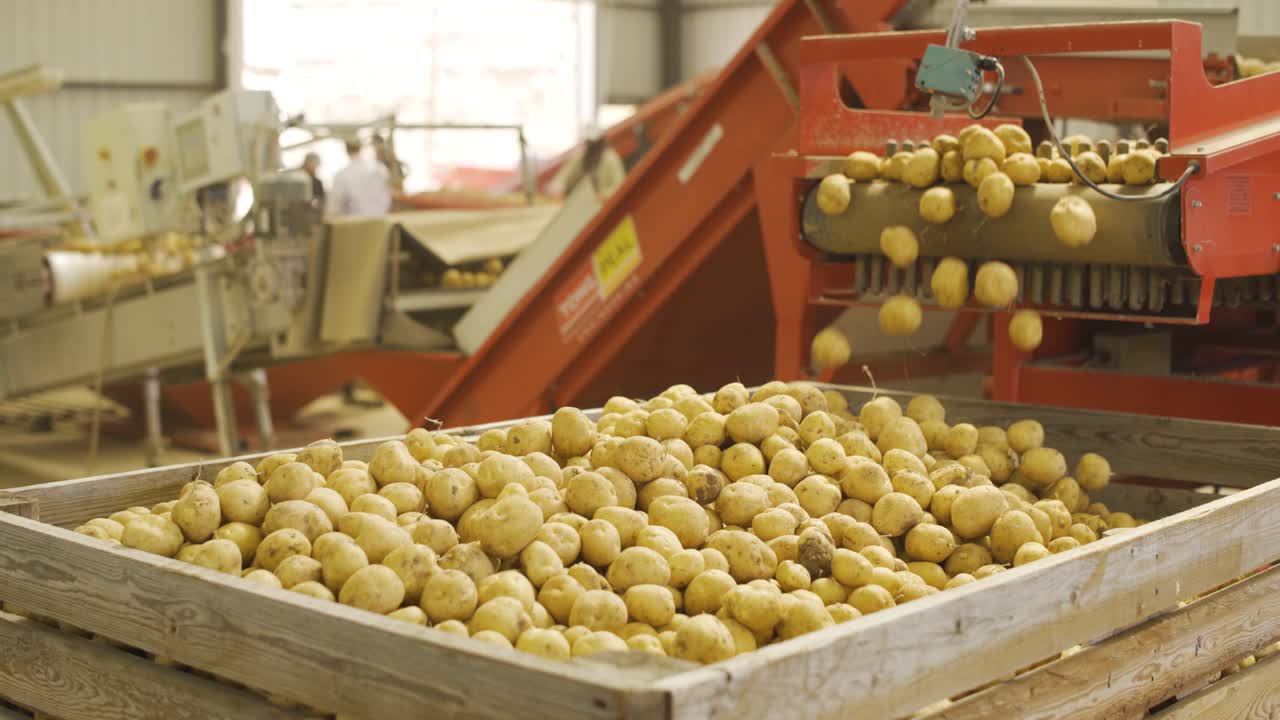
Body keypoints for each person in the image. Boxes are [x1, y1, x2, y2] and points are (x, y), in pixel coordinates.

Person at [551, 125, 626, 199]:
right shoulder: (580, 157)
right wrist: (559, 190)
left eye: (594, 142)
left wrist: (602, 195)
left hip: (601, 203)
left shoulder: (610, 158)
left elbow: (620, 185)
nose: (591, 145)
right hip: (578, 200)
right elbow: (562, 177)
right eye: (589, 142)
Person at [326, 138, 392, 218]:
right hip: (381, 222)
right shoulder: (380, 169)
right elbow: (388, 195)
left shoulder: (342, 175)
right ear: (361, 148)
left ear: (346, 150)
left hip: (355, 225)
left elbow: (334, 206)